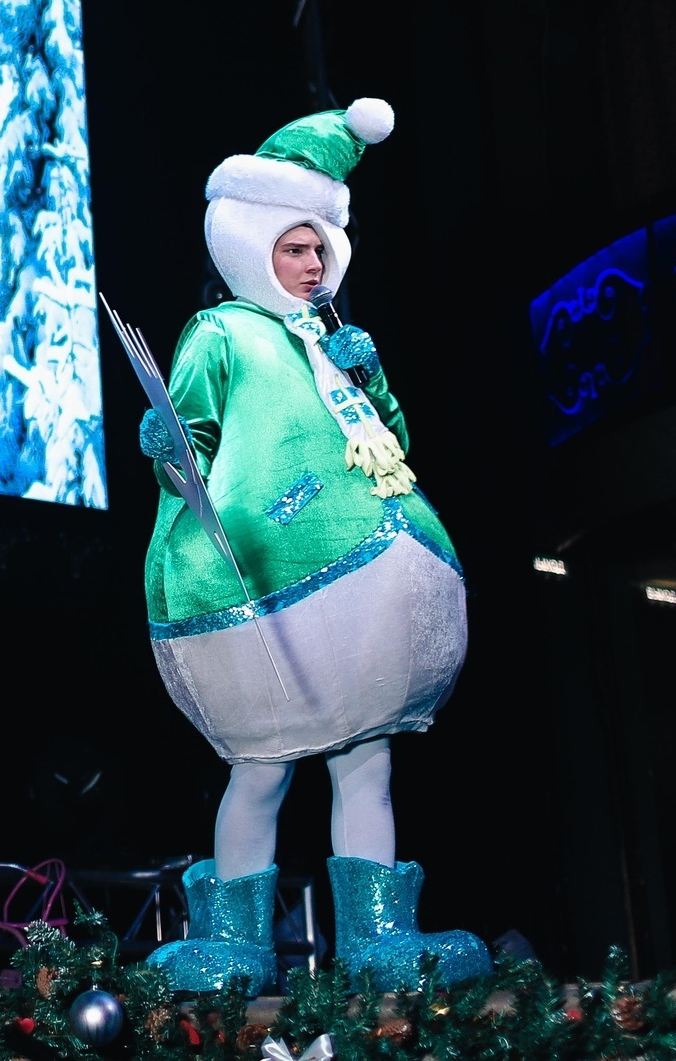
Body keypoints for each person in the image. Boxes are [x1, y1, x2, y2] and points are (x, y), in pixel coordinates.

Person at [139, 99, 487, 992]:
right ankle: (233, 944)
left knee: (366, 760)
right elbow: (190, 443)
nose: (311, 265)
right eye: (294, 248)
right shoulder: (223, 331)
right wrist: (169, 452)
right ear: (255, 246)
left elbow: (389, 441)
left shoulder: (332, 341)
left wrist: (372, 377)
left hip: (358, 584)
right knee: (262, 768)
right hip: (269, 580)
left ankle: (376, 937)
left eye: (320, 250)